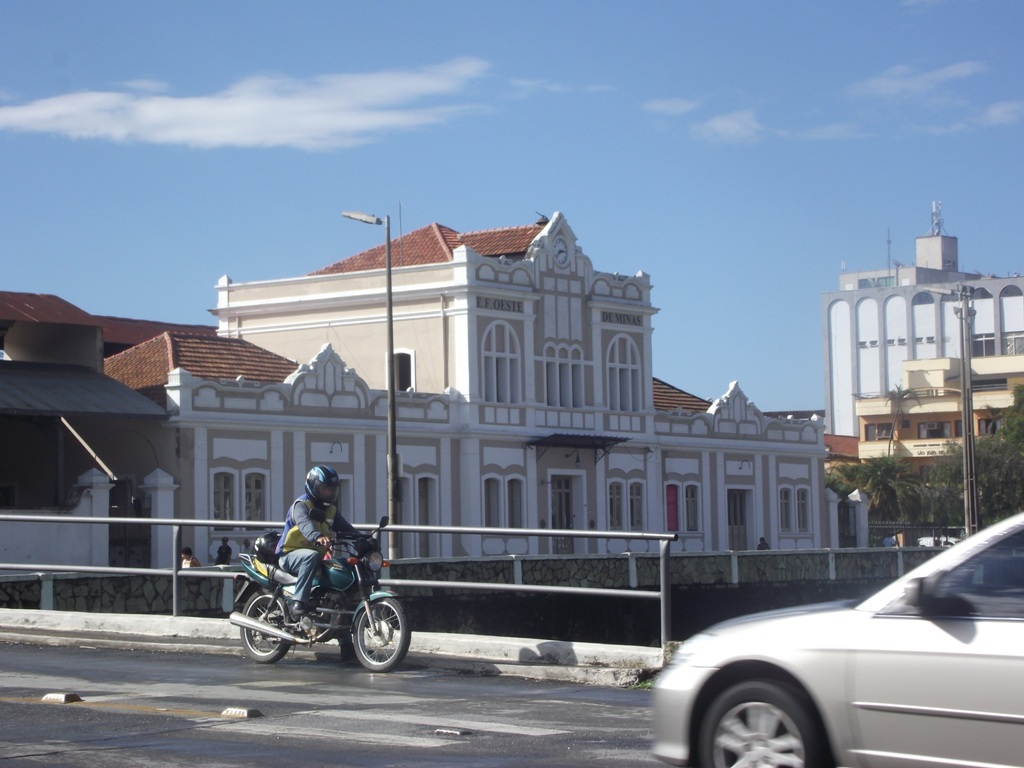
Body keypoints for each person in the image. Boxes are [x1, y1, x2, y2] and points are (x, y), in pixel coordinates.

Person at [276, 465, 360, 621]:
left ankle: (345, 640)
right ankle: (299, 602)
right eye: (324, 488)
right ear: (313, 486)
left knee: (341, 568)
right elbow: (305, 525)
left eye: (332, 489)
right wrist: (318, 537)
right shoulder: (301, 505)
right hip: (290, 555)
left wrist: (363, 539)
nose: (328, 493)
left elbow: (346, 528)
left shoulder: (331, 511)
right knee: (311, 556)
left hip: (315, 556)